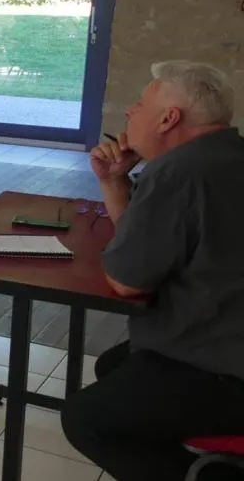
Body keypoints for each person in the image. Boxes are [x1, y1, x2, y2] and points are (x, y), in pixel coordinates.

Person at [59, 61, 244, 481]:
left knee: (86, 419)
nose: (129, 112)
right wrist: (115, 183)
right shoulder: (228, 155)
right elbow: (146, 249)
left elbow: (127, 280)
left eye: (140, 104)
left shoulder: (179, 171)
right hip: (225, 337)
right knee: (114, 364)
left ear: (168, 119)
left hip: (224, 368)